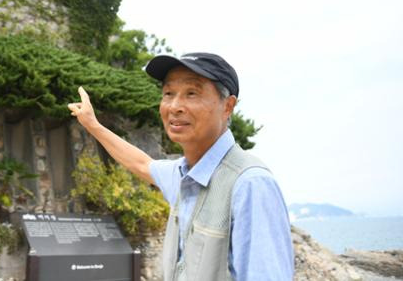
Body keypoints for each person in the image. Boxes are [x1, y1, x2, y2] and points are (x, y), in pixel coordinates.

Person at [68, 52, 294, 280]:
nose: (175, 106)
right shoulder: (183, 175)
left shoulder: (250, 184)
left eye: (192, 93)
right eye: (168, 93)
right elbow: (142, 164)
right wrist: (92, 125)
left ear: (227, 106)